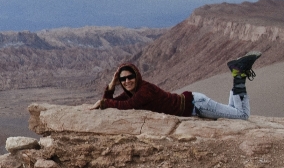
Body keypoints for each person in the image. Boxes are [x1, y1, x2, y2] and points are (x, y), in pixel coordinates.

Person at [90, 51, 262, 120]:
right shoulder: (133, 92)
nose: (127, 81)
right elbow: (112, 101)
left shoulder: (144, 91)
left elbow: (125, 106)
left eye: (130, 77)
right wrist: (112, 85)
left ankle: (239, 76)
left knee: (242, 116)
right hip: (195, 103)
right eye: (123, 79)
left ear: (137, 76)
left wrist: (105, 103)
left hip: (197, 106)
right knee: (232, 110)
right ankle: (237, 74)